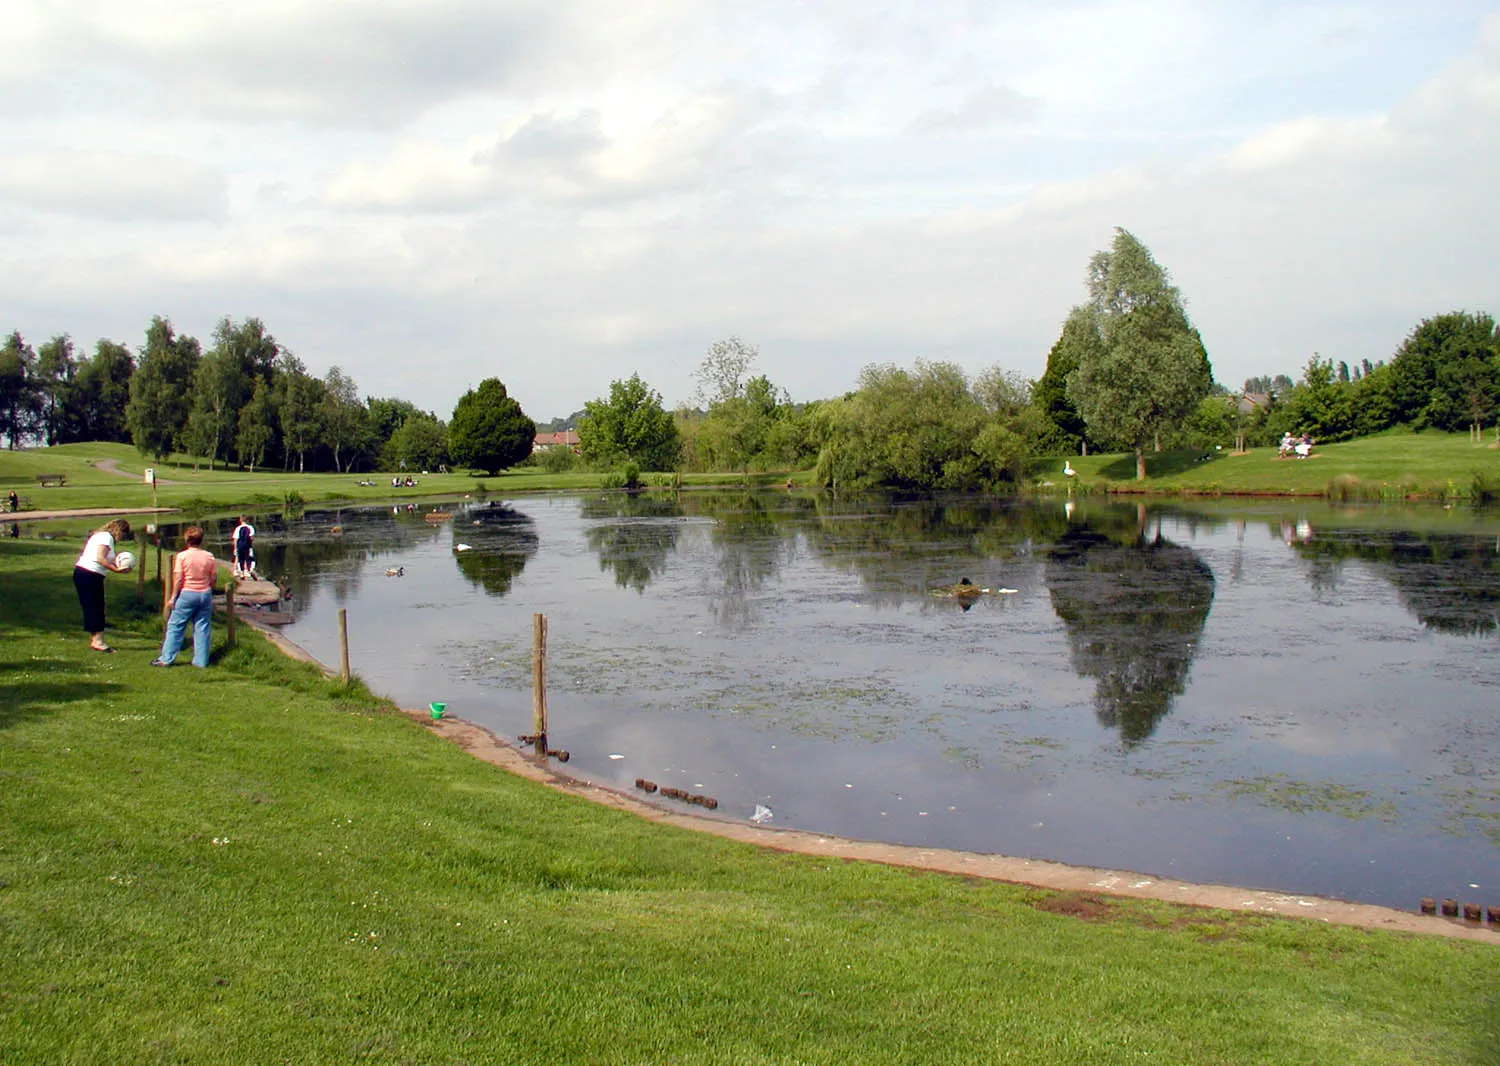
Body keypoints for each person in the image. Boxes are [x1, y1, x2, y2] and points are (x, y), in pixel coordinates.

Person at [152, 526, 217, 668]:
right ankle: (201, 661)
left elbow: (179, 579)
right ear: (201, 540)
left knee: (176, 625)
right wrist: (208, 588)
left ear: (186, 540)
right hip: (204, 593)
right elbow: (213, 577)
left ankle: (166, 658)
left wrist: (173, 597)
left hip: (187, 593)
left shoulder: (182, 556)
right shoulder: (209, 556)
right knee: (202, 627)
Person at [73, 518, 132, 653]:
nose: (123, 538)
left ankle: (96, 639)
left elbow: (106, 557)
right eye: (124, 534)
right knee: (95, 606)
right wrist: (116, 570)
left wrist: (119, 562)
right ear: (119, 531)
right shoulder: (106, 537)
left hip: (86, 573)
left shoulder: (100, 536)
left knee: (94, 606)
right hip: (89, 574)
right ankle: (99, 641)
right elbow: (100, 558)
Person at [231, 515, 255, 579]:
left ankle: (237, 571)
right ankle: (247, 571)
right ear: (248, 520)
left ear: (240, 520)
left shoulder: (238, 528)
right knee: (248, 558)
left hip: (239, 545)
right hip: (247, 546)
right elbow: (251, 538)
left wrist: (235, 547)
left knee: (238, 558)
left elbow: (235, 539)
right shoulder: (250, 527)